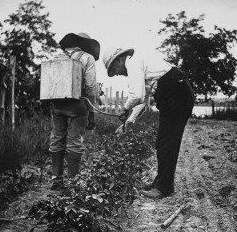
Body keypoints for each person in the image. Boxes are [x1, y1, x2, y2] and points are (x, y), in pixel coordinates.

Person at [103, 48, 195, 199]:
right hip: (175, 91)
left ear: (119, 60)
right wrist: (128, 122)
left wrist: (124, 108)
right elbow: (142, 101)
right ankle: (160, 183)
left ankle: (164, 188)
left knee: (167, 142)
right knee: (164, 141)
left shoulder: (132, 63)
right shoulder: (141, 66)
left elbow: (136, 96)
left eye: (114, 69)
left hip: (176, 92)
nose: (117, 73)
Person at [49, 32, 99, 190]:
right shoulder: (87, 58)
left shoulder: (57, 57)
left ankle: (56, 181)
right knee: (75, 142)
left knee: (56, 140)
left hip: (57, 104)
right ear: (84, 44)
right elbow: (91, 87)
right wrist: (92, 112)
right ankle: (73, 183)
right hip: (78, 104)